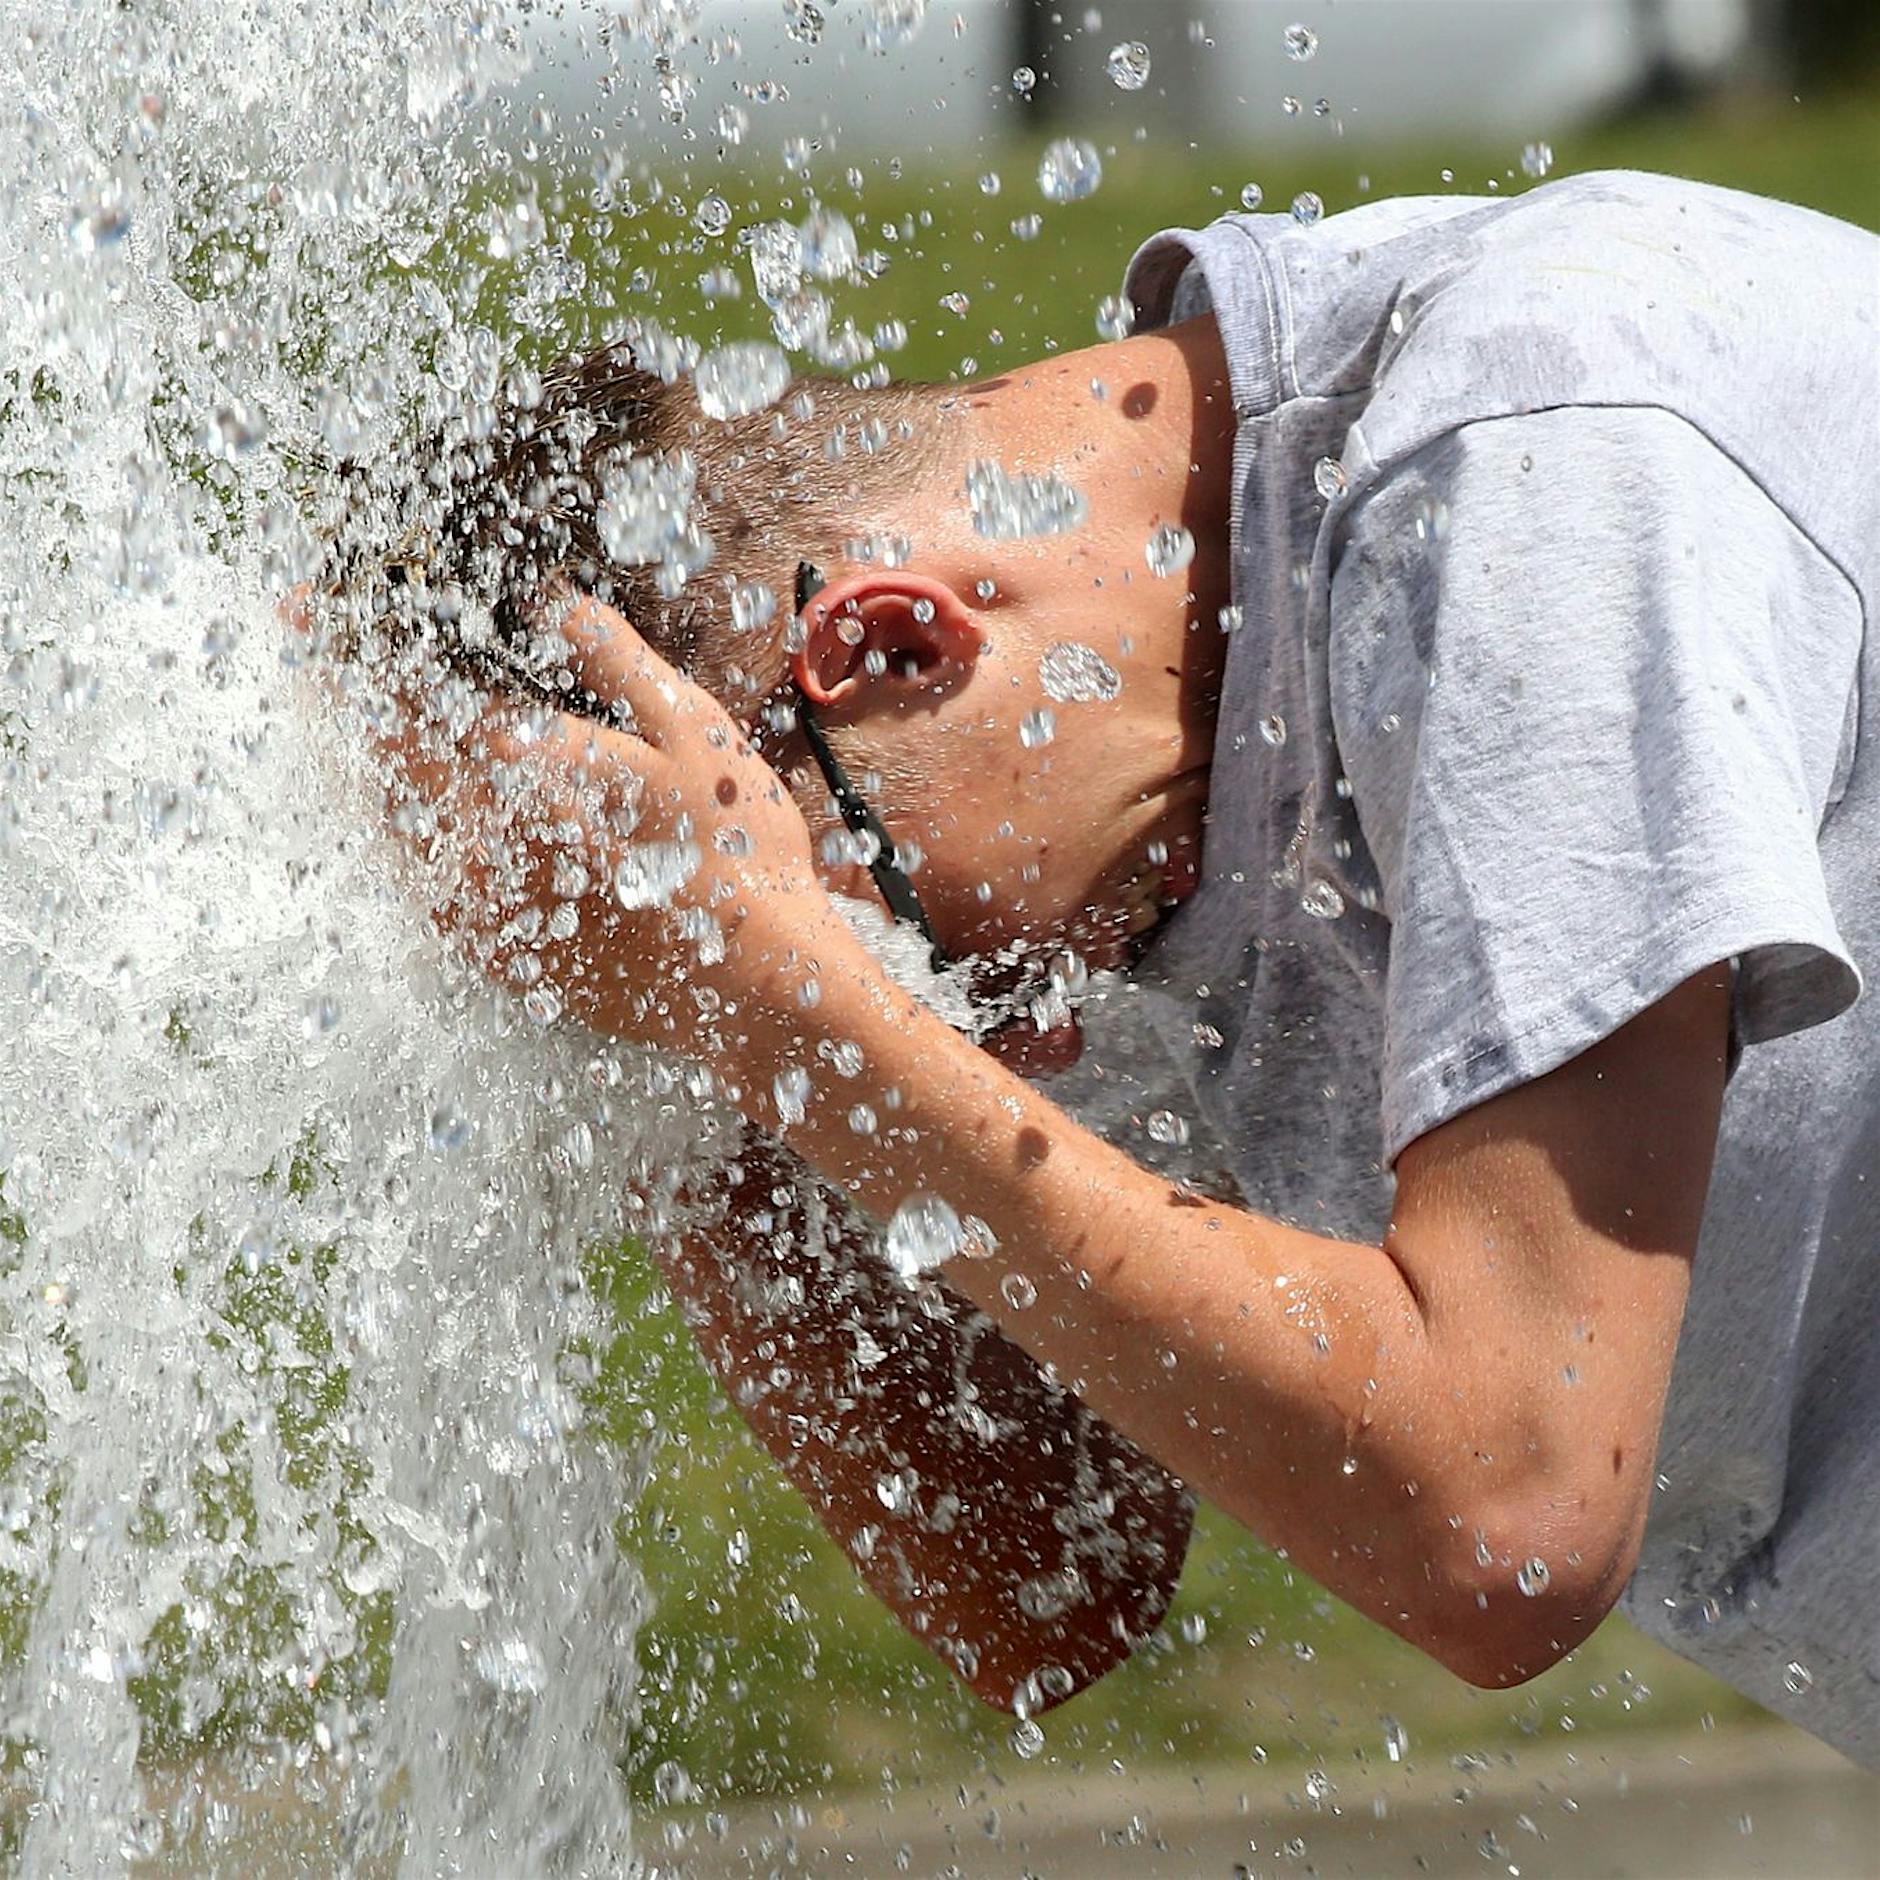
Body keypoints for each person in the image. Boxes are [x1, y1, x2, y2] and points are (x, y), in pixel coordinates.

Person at [324, 169, 1880, 1763]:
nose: (1034, 1047)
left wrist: (779, 994)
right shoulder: (1113, 754)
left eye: (897, 959)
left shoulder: (1538, 466)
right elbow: (1048, 1575)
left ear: (886, 648)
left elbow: (1506, 1510)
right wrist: (690, 1032)